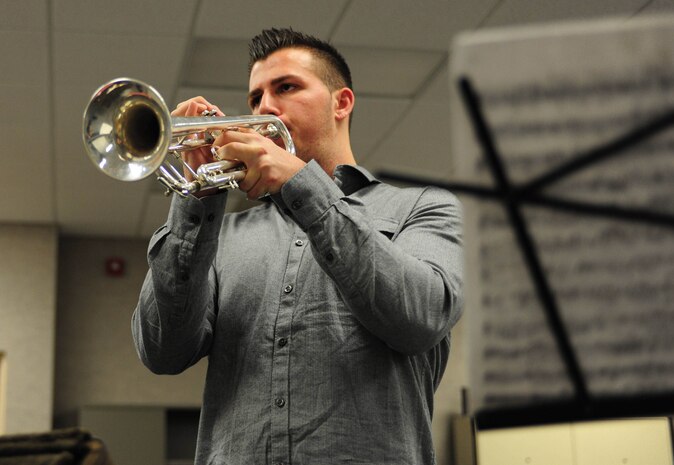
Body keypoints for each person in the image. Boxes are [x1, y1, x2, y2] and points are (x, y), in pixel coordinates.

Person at [132, 27, 464, 465]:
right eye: (255, 98)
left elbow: (420, 317)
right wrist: (196, 198)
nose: (265, 107)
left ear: (341, 102)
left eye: (286, 87)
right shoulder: (225, 237)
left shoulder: (423, 208)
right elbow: (163, 350)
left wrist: (301, 185)